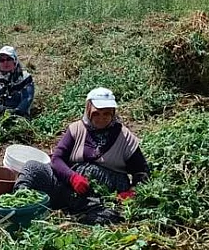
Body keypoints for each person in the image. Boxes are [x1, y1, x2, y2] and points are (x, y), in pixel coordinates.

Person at [16, 87, 150, 224]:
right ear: (88, 111)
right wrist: (72, 177)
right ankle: (18, 206)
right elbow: (57, 159)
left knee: (110, 215)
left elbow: (142, 171)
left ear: (113, 114)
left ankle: (79, 213)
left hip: (103, 196)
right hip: (68, 186)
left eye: (107, 114)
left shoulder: (125, 137)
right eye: (96, 113)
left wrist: (132, 192)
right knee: (32, 167)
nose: (101, 119)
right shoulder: (76, 129)